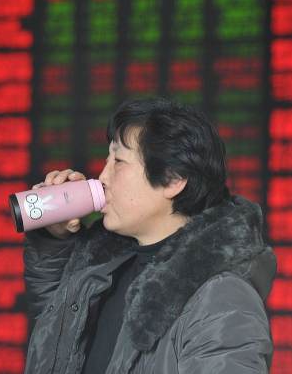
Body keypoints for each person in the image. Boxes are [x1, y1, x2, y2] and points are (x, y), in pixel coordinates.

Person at [23, 97, 277, 374]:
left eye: (119, 161)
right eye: (107, 160)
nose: (102, 177)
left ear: (173, 179)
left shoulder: (223, 300)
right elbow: (55, 329)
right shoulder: (104, 267)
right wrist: (56, 237)